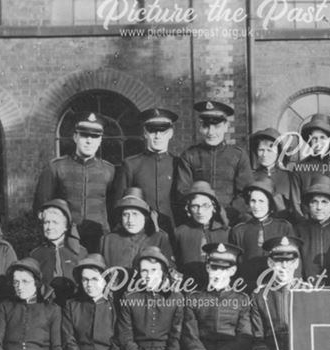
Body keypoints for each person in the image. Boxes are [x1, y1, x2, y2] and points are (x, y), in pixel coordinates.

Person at [33, 111, 116, 251]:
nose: (89, 141)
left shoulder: (109, 170)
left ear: (100, 140)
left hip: (99, 240)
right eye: (84, 135)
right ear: (75, 137)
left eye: (95, 137)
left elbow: (113, 208)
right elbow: (41, 208)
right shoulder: (56, 167)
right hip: (65, 240)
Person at [108, 107, 189, 237]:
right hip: (141, 234)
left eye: (163, 131)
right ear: (145, 133)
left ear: (171, 133)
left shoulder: (179, 164)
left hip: (173, 233)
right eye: (152, 131)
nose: (157, 136)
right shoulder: (131, 165)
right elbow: (118, 205)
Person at [178, 100, 252, 226]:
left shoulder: (238, 156)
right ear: (200, 128)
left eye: (216, 126)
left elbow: (245, 193)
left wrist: (228, 215)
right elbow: (183, 191)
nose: (211, 132)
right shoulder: (189, 155)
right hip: (198, 221)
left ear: (226, 126)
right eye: (206, 126)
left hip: (231, 222)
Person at [228, 173, 296, 291]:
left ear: (270, 204)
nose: (256, 206)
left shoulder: (284, 227)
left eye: (261, 201)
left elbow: (294, 260)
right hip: (248, 288)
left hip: (277, 288)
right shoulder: (239, 230)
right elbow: (234, 265)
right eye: (253, 201)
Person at [28, 198, 88, 304]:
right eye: (46, 222)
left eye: (55, 222)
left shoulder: (80, 252)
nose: (50, 227)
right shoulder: (35, 254)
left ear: (65, 226)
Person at [99, 187, 174, 272]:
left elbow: (169, 271)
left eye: (135, 214)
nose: (130, 220)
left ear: (145, 217)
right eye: (126, 215)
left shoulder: (159, 238)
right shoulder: (108, 240)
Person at [173, 181, 230, 285]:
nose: (200, 211)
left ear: (213, 207)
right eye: (195, 206)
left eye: (205, 205)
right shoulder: (180, 232)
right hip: (188, 287)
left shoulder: (225, 232)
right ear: (188, 209)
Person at [292, 113, 330, 202]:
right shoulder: (300, 168)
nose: (318, 142)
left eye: (322, 137)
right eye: (314, 138)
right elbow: (295, 200)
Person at [251, 127, 300, 223]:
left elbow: (295, 208)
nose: (264, 154)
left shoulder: (289, 177)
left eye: (269, 150)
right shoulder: (251, 177)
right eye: (261, 150)